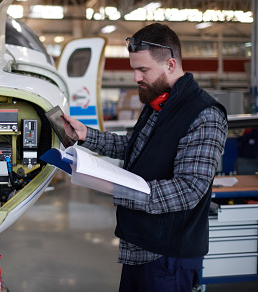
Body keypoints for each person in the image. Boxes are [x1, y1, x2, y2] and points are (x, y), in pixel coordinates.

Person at [61, 23, 228, 292]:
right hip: (140, 244)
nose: (136, 78)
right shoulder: (158, 101)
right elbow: (134, 146)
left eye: (143, 70)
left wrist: (123, 189)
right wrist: (85, 136)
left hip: (168, 256)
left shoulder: (204, 114)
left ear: (171, 65)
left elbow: (189, 189)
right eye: (134, 69)